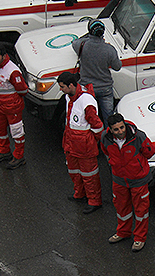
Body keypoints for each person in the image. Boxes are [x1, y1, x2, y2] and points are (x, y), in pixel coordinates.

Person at [101, 113, 155, 252]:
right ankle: (123, 232)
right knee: (121, 209)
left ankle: (139, 238)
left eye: (121, 127)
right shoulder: (105, 138)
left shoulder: (138, 137)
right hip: (119, 180)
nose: (120, 131)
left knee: (141, 210)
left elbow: (150, 151)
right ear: (111, 130)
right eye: (116, 129)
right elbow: (105, 151)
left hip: (138, 180)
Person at [58, 71, 104, 214]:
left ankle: (94, 200)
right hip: (72, 141)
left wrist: (91, 141)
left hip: (84, 144)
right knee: (74, 170)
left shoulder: (86, 101)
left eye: (62, 87)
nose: (61, 90)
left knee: (89, 174)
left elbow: (97, 125)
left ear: (71, 85)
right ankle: (80, 193)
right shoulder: (69, 97)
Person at [71, 19, 121, 127]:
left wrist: (88, 35)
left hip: (87, 88)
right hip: (105, 89)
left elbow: (74, 42)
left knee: (88, 117)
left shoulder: (82, 46)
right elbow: (117, 67)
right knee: (109, 119)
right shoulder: (109, 49)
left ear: (89, 32)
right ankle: (108, 139)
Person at [0, 42, 28, 170]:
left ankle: (19, 156)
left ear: (4, 56)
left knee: (17, 132)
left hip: (12, 107)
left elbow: (22, 90)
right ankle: (4, 151)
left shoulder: (13, 71)